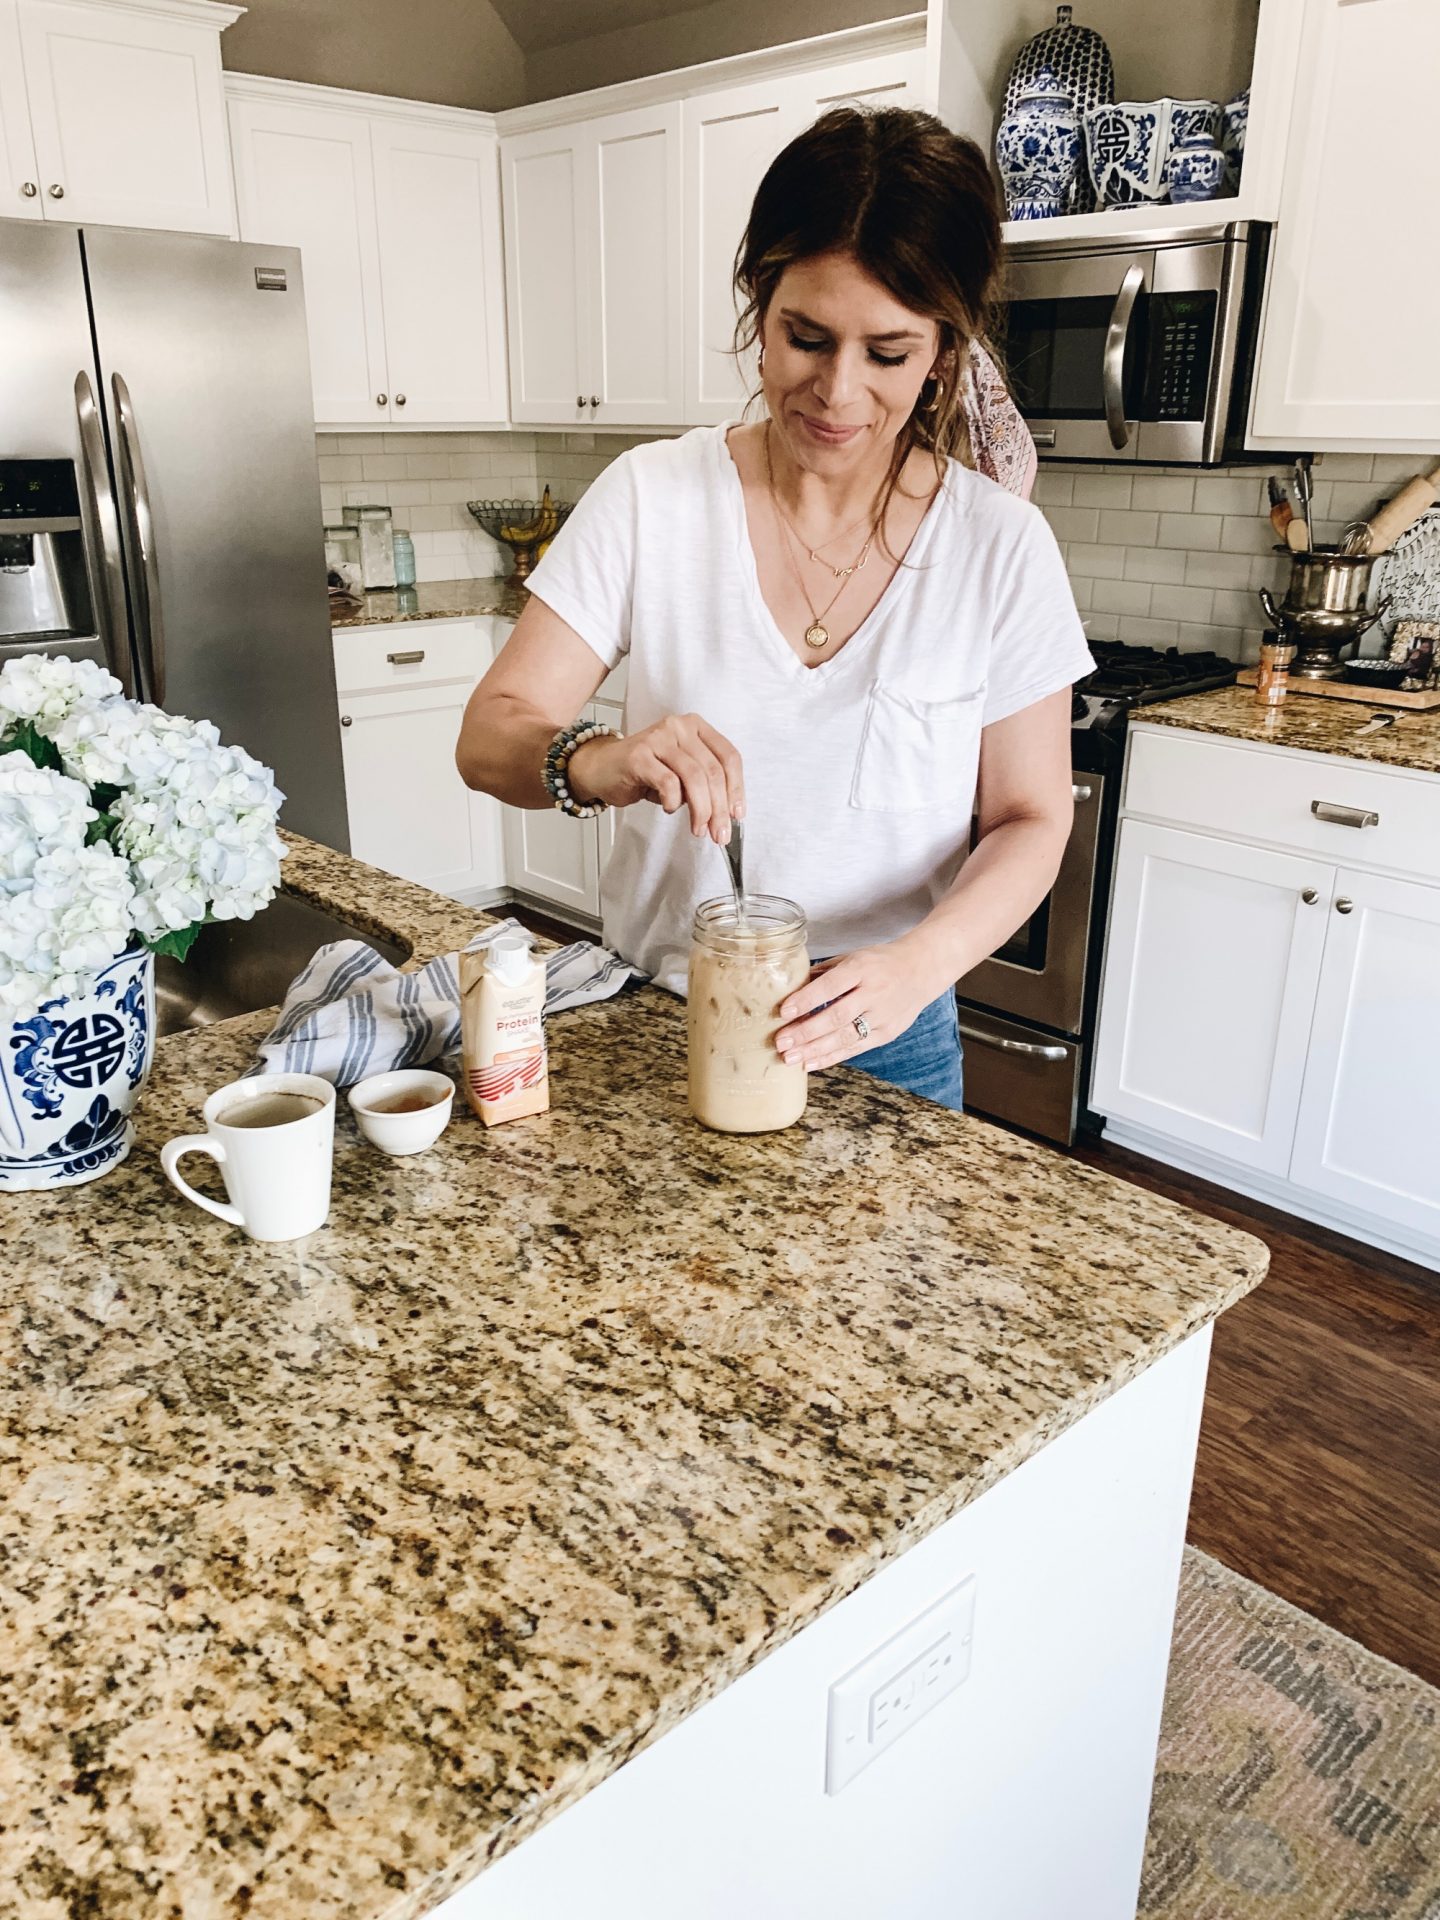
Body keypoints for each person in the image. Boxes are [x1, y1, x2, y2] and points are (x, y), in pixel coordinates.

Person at [456, 106, 1092, 1111]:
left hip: (887, 1038)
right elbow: (488, 738)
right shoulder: (652, 497)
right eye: (806, 337)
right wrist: (599, 759)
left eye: (887, 353)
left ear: (942, 350)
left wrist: (918, 966)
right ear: (761, 306)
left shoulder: (997, 548)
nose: (838, 393)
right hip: (656, 1018)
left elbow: (1029, 817)